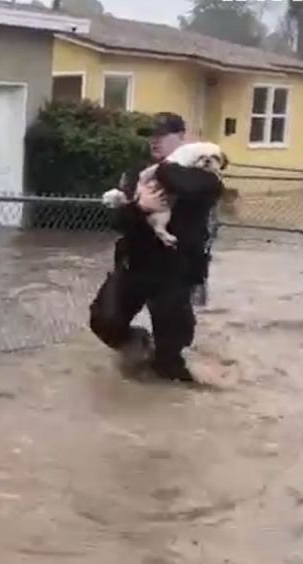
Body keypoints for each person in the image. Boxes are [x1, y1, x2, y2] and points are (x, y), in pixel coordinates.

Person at [89, 112, 224, 382]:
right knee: (103, 321)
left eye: (161, 135)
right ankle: (139, 345)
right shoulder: (136, 173)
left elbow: (185, 184)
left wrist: (164, 166)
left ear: (182, 138)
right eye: (150, 136)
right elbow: (118, 221)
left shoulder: (204, 174)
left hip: (175, 272)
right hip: (135, 265)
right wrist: (140, 207)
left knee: (170, 362)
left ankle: (174, 387)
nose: (154, 141)